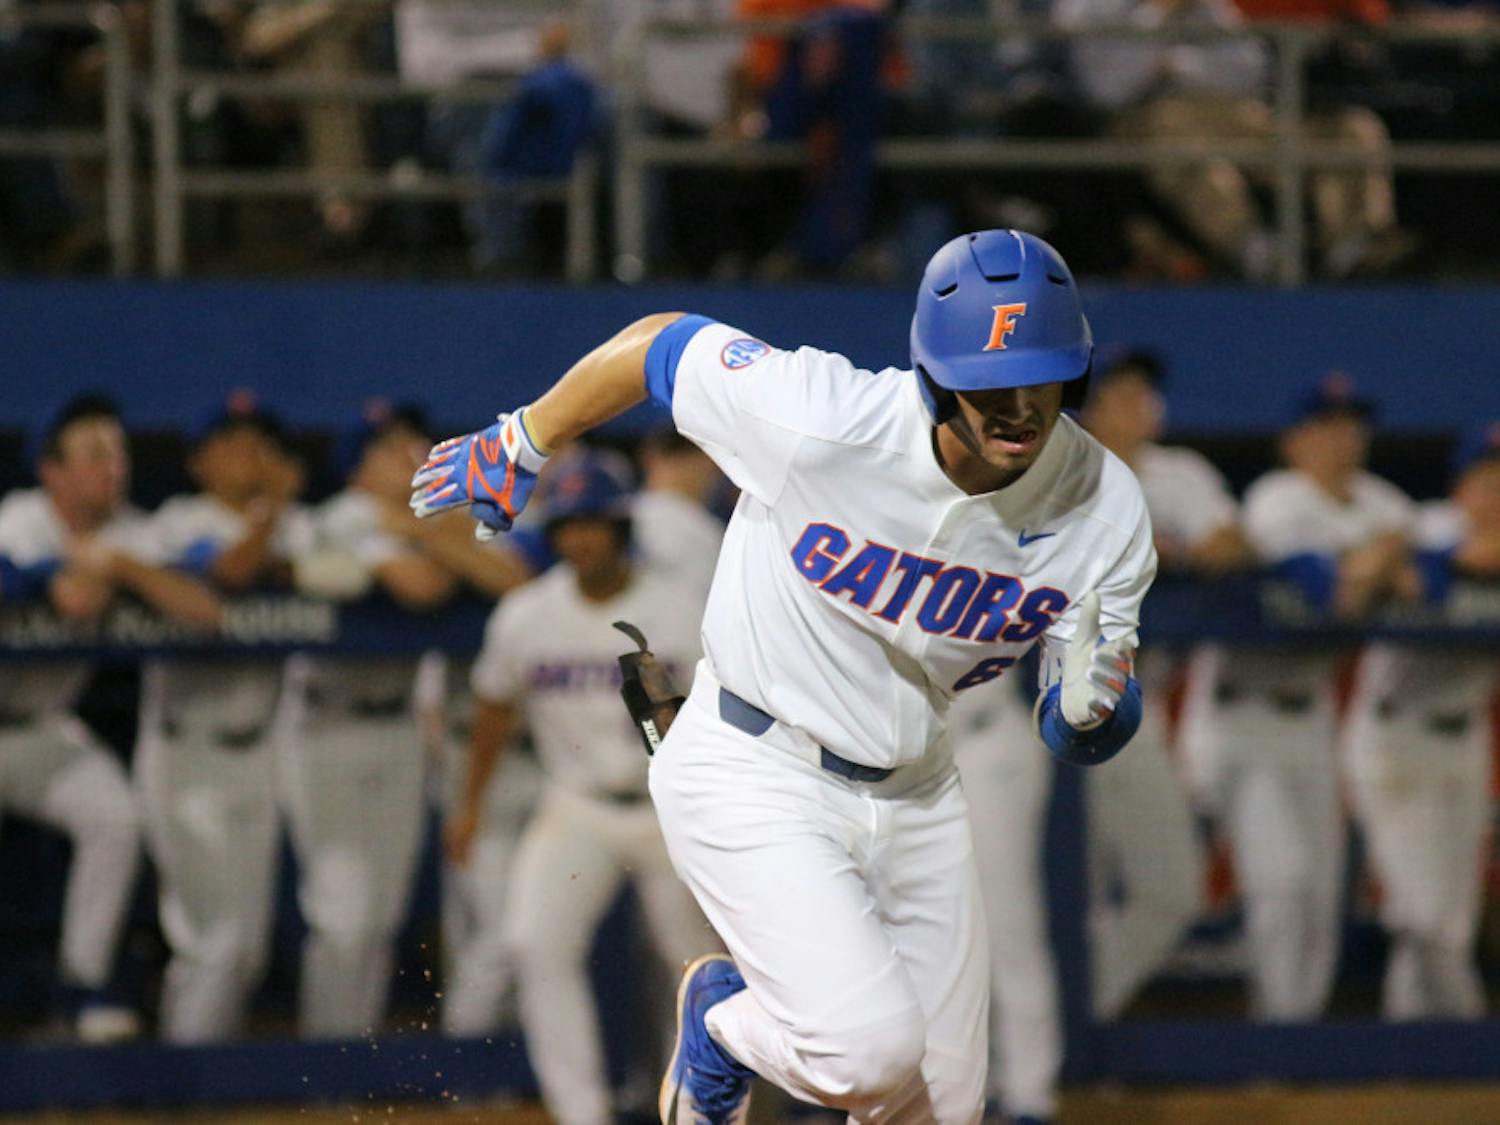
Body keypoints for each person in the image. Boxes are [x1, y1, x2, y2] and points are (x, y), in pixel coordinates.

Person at [411, 228, 1156, 1123]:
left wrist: (1091, 710)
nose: (1020, 405)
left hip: (920, 790)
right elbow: (661, 344)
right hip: (754, 763)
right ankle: (724, 1022)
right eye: (990, 382)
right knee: (868, 1055)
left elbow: (1092, 677)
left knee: (940, 1110)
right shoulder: (824, 418)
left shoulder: (1105, 505)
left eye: (1042, 376)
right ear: (934, 373)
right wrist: (526, 437)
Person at [446, 451, 718, 1124]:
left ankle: (696, 1109)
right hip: (577, 805)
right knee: (535, 941)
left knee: (698, 965)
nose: (582, 537)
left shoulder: (677, 608)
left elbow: (717, 717)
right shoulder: (526, 613)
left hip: (668, 805)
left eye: (595, 521)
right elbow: (493, 707)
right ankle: (582, 1111)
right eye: (569, 524)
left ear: (622, 526)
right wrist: (470, 804)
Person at [1177, 371, 1415, 1021]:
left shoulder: (1378, 498)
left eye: (1352, 426)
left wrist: (1382, 554)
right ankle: (1277, 1036)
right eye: (1326, 427)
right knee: (1278, 884)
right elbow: (1328, 587)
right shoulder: (1277, 498)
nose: (1344, 440)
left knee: (1318, 890)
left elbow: (1405, 546)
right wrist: (1378, 557)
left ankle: (1295, 1034)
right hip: (1235, 710)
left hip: (1309, 717)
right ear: (1294, 442)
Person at [0, 395, 221, 1042]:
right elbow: (68, 595)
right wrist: (52, 574)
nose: (114, 467)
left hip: (42, 726)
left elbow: (205, 613)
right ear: (52, 471)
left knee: (115, 816)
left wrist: (120, 564)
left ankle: (82, 985)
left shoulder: (130, 529)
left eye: (119, 453)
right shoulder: (17, 518)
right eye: (95, 455)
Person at [134, 392, 312, 1043]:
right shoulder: (175, 522)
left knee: (247, 949)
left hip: (261, 749)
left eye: (259, 440)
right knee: (213, 942)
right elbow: (233, 569)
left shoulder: (296, 524)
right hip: (186, 748)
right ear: (199, 460)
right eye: (232, 441)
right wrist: (271, 516)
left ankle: (202, 1081)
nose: (251, 454)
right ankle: (186, 1086)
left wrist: (280, 531)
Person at [280, 400, 461, 1039]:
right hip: (325, 722)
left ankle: (349, 1062)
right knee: (343, 916)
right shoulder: (340, 517)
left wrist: (421, 531)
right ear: (358, 465)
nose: (414, 457)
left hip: (397, 724)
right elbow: (425, 586)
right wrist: (423, 537)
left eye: (416, 443)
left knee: (381, 918)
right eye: (393, 449)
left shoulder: (419, 518)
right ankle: (323, 1070)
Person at [1079, 349, 1249, 1018]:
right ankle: (1048, 1048)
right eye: (1123, 393)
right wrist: (1161, 550)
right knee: (1065, 897)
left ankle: (1075, 1018)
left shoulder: (1178, 472)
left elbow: (1231, 544)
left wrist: (1176, 549)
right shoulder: (1055, 468)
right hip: (1040, 699)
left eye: (1146, 391)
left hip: (1127, 702)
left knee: (1171, 889)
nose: (1141, 404)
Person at [1340, 421, 1500, 1020]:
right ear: (1461, 490)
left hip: (1464, 739)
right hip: (1393, 735)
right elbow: (1386, 565)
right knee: (1423, 914)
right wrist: (1393, 558)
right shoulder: (1431, 523)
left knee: (1448, 918)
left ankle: (1406, 1047)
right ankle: (1471, 1042)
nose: (1498, 495)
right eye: (1487, 482)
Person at [948, 675, 1061, 1125]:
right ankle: (978, 1087)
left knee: (1007, 925)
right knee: (938, 936)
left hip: (983, 739)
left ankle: (1030, 1095)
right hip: (908, 755)